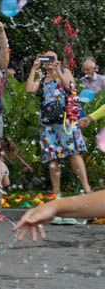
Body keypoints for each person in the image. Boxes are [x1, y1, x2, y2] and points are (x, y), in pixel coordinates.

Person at [27, 51, 91, 207]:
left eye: (52, 58)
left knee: (73, 153)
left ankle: (87, 189)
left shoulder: (64, 72)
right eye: (46, 58)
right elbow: (29, 89)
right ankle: (56, 192)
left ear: (58, 61)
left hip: (65, 121)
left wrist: (57, 71)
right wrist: (34, 69)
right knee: (53, 156)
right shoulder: (42, 78)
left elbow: (70, 88)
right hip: (48, 123)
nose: (49, 61)